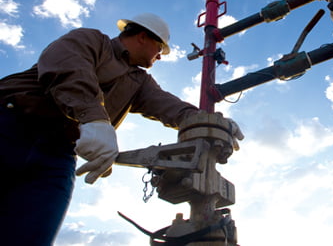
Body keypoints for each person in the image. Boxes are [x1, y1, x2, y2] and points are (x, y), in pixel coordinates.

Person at [0, 13, 243, 245]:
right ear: (143, 37)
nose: (160, 57)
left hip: (57, 156)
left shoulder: (138, 82)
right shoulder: (91, 40)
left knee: (31, 236)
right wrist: (93, 118)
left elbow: (169, 106)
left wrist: (213, 123)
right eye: (160, 49)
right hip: (10, 125)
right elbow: (69, 70)